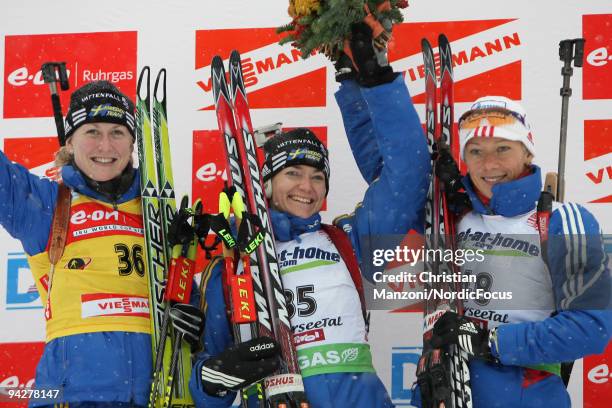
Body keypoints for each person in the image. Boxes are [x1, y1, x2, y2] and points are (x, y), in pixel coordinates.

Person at [189, 23, 431, 407]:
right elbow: (207, 384)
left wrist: (370, 81)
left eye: (318, 177)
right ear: (264, 184)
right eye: (293, 174)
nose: (307, 186)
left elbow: (409, 177)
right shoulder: (233, 264)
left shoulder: (347, 240)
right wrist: (212, 381)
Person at [0, 80, 199, 407]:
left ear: (134, 142)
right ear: (70, 140)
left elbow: (189, 311)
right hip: (74, 396)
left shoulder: (160, 214)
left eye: (117, 132)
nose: (105, 146)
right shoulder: (46, 205)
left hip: (161, 392)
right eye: (92, 131)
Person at [415, 96, 611, 407]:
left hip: (525, 392)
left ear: (527, 150)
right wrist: (374, 81)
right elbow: (389, 174)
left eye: (503, 148)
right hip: (445, 388)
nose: (489, 164)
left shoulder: (562, 220)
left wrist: (489, 342)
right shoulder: (451, 215)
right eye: (476, 151)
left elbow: (591, 326)